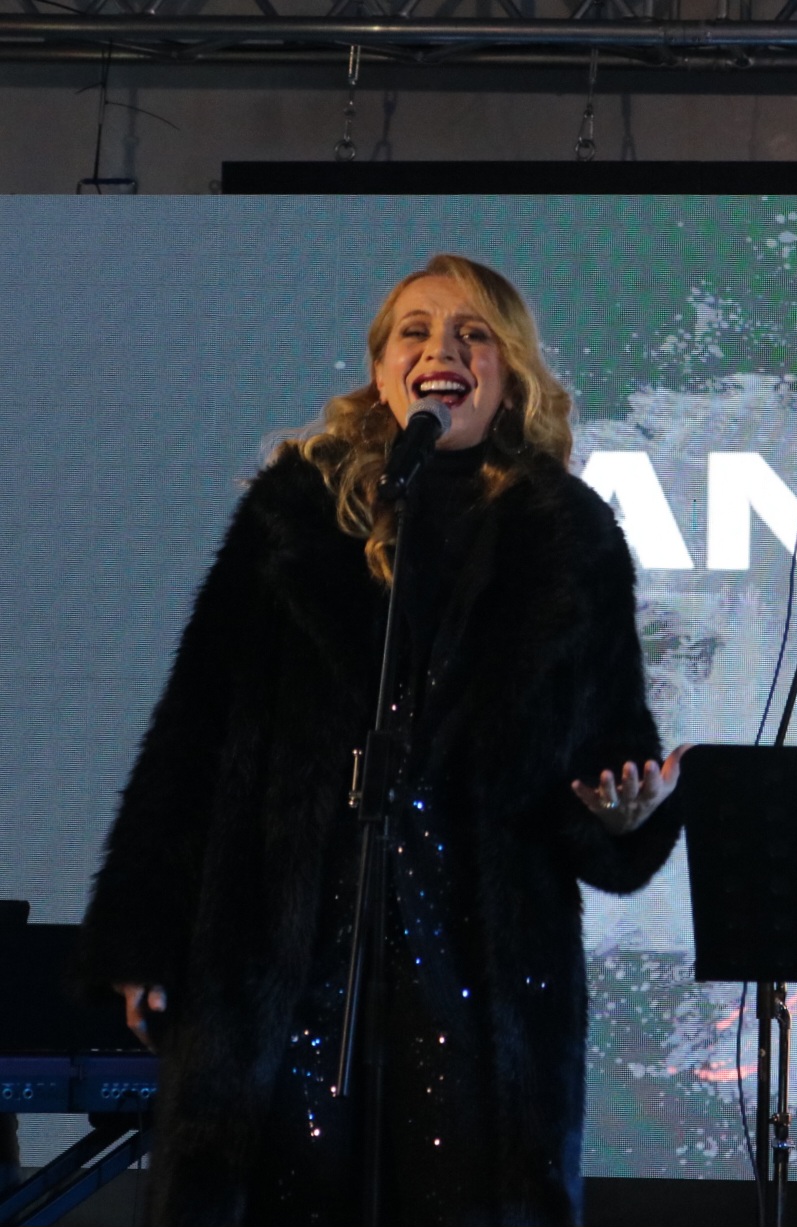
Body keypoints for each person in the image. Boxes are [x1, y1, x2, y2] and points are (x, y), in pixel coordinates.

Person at [75, 254, 684, 1226]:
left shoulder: (568, 538)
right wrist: (143, 933)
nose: (443, 349)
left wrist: (624, 815)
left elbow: (608, 751)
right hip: (283, 959)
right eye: (416, 331)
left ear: (510, 369)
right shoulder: (291, 516)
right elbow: (193, 729)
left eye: (473, 333)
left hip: (475, 977)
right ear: (380, 369)